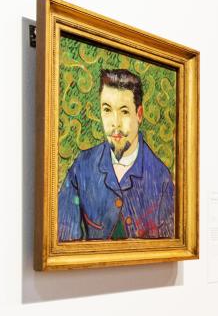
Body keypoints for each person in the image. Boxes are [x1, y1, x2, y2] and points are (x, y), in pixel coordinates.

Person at [57, 69, 175, 241]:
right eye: (107, 110)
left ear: (139, 115)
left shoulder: (161, 178)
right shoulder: (82, 167)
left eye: (124, 111)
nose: (115, 123)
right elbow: (63, 238)